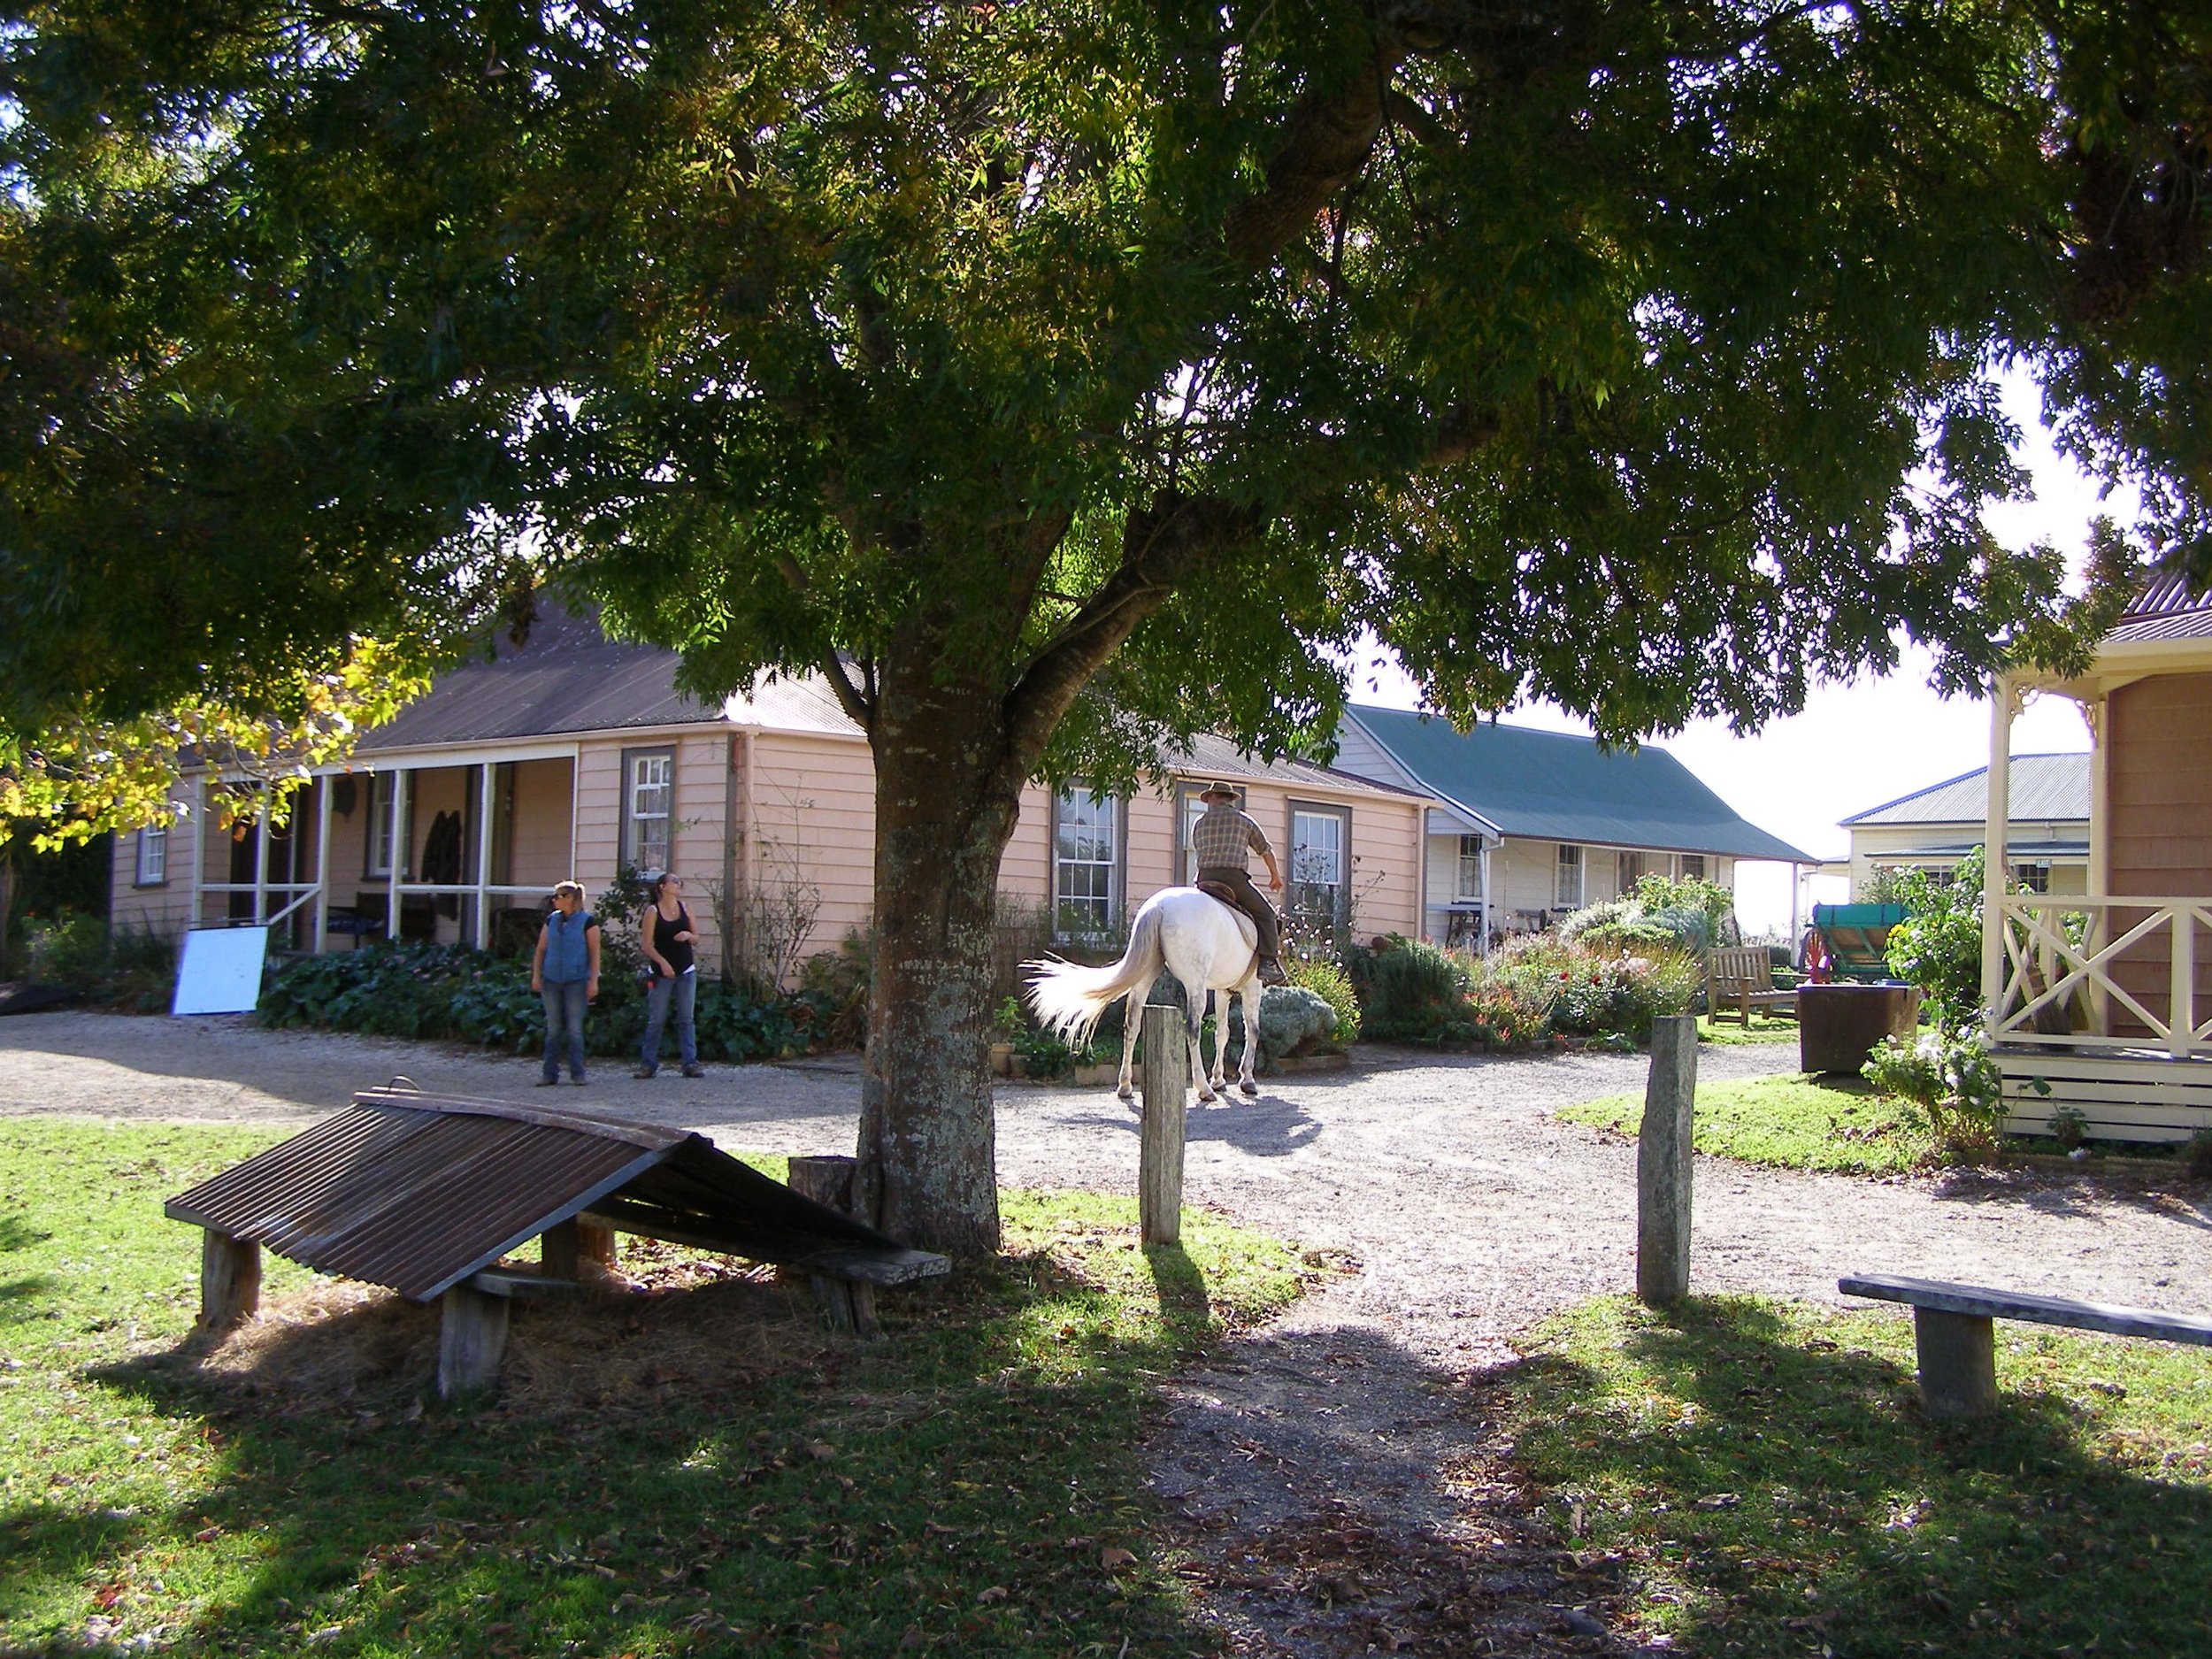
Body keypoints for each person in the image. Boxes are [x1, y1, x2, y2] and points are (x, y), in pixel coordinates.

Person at [1191, 781, 1288, 986]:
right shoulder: (1244, 821)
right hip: (1232, 880)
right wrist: (1275, 876)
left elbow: (1198, 849)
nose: (1208, 802)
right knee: (1267, 914)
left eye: (1209, 799)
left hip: (1204, 880)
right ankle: (1268, 963)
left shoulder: (1199, 822)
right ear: (1229, 799)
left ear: (1213, 797)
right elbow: (1265, 850)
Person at [530, 880, 602, 1085]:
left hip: (576, 981)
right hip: (552, 979)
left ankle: (578, 1073)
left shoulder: (588, 921)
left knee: (574, 1028)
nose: (555, 900)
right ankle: (549, 1073)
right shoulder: (551, 920)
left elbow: (595, 952)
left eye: (560, 896)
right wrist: (536, 975)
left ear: (571, 898)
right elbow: (541, 949)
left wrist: (593, 980)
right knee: (553, 1028)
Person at [635, 871, 703, 1079]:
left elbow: (696, 939)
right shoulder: (653, 912)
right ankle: (648, 1063)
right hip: (661, 972)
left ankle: (690, 1063)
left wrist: (688, 935)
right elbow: (647, 945)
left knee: (686, 1018)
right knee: (657, 1019)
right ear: (662, 887)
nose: (678, 884)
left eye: (679, 881)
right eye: (673, 881)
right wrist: (662, 963)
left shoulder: (686, 908)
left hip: (686, 969)